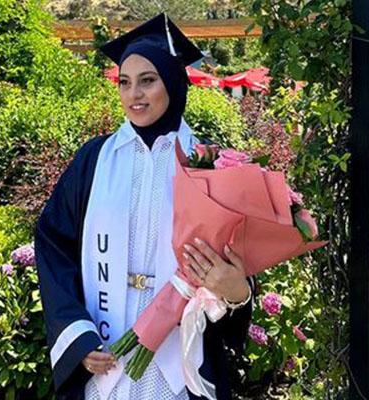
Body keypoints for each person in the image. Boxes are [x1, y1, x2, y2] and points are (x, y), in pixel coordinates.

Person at [35, 13, 255, 400]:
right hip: (104, 347)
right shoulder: (94, 160)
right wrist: (77, 333)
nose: (133, 94)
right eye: (124, 82)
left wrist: (238, 291)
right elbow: (54, 244)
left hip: (179, 356)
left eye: (147, 80)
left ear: (173, 82)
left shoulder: (208, 163)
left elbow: (239, 259)